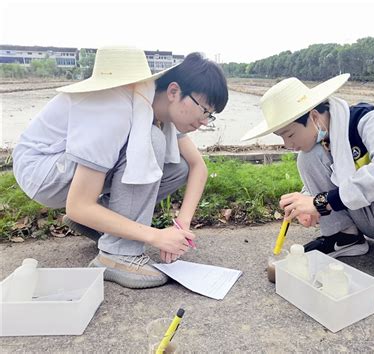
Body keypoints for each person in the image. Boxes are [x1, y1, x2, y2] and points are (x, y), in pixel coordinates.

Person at [13, 46, 228, 289]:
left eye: (211, 115)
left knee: (177, 167)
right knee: (152, 142)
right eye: (204, 109)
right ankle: (116, 254)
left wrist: (182, 226)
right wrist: (156, 236)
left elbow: (197, 166)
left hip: (63, 166)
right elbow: (78, 205)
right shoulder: (114, 107)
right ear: (174, 91)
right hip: (42, 171)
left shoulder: (148, 102)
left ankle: (99, 224)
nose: (204, 120)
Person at [241, 74, 374, 301]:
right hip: (367, 214)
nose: (288, 144)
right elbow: (335, 179)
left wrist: (320, 203)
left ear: (313, 116)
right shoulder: (321, 140)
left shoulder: (369, 119)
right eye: (282, 137)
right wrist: (308, 203)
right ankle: (344, 237)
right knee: (308, 156)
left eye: (290, 134)